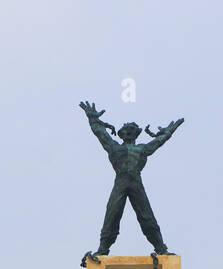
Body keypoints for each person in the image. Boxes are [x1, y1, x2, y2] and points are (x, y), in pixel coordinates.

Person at [79, 101, 184, 256]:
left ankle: (161, 248)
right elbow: (101, 134)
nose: (128, 132)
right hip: (120, 181)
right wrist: (93, 120)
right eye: (126, 130)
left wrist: (168, 133)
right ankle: (102, 250)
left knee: (147, 215)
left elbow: (158, 142)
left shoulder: (142, 149)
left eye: (132, 130)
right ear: (121, 133)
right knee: (112, 215)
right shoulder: (114, 147)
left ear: (136, 133)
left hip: (135, 182)